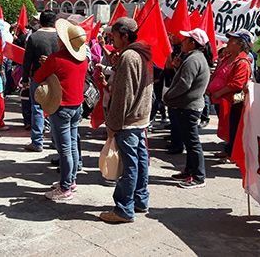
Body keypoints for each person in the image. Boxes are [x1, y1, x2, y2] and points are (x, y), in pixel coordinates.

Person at [100, 18, 153, 224]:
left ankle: (123, 209)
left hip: (129, 120)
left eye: (113, 35)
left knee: (128, 166)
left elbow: (123, 95)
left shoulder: (129, 56)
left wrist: (112, 125)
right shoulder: (143, 52)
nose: (111, 39)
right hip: (140, 117)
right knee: (139, 161)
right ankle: (140, 200)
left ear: (124, 35)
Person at [33, 19, 88, 201]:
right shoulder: (84, 60)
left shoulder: (56, 59)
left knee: (64, 149)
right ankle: (70, 181)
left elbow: (39, 76)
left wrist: (45, 64)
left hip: (61, 107)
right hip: (77, 106)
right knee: (71, 145)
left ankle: (65, 188)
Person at [163, 28, 213, 188]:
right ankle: (190, 170)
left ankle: (198, 176)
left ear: (193, 43)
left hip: (189, 107)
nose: (182, 42)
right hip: (188, 106)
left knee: (192, 142)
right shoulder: (194, 58)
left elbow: (184, 84)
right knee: (189, 141)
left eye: (186, 40)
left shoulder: (193, 59)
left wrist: (168, 96)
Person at [207, 30, 253, 161]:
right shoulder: (227, 58)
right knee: (227, 125)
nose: (228, 43)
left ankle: (232, 153)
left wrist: (219, 92)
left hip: (232, 102)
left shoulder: (242, 62)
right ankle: (228, 150)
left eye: (232, 41)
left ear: (239, 44)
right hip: (221, 100)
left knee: (233, 127)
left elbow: (237, 84)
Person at [21, 10, 59, 152]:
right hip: (56, 78)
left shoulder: (34, 37)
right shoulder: (60, 36)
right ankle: (56, 140)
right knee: (56, 107)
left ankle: (37, 141)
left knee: (37, 108)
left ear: (40, 22)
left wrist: (24, 79)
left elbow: (27, 61)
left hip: (38, 76)